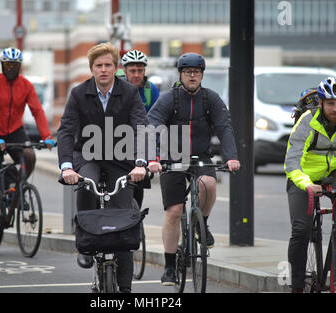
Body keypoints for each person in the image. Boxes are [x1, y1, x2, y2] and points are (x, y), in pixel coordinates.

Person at [58, 42, 148, 293]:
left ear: (115, 67)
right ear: (92, 69)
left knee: (124, 219)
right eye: (99, 66)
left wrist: (140, 163)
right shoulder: (78, 93)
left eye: (108, 65)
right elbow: (66, 131)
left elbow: (141, 128)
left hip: (121, 159)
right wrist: (67, 167)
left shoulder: (129, 93)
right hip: (88, 156)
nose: (104, 70)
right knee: (87, 183)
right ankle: (85, 242)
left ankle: (125, 288)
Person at [147, 52, 240, 286]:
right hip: (172, 159)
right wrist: (153, 157)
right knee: (174, 212)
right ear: (181, 74)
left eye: (196, 72)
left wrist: (231, 157)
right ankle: (169, 267)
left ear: (201, 75)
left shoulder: (211, 99)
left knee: (208, 184)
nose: (192, 75)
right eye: (188, 72)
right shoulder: (170, 99)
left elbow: (224, 127)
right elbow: (153, 124)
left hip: (200, 157)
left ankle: (202, 224)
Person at [285, 77, 336, 293]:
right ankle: (297, 286)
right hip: (304, 173)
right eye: (330, 103)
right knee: (301, 230)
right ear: (321, 103)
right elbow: (292, 160)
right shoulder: (307, 122)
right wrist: (306, 183)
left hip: (335, 169)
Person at [0, 47, 55, 246]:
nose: (11, 68)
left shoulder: (26, 85)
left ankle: (16, 192)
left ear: (20, 67)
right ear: (2, 65)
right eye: (8, 65)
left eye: (15, 65)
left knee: (29, 156)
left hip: (14, 130)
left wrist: (47, 136)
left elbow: (37, 110)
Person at [121, 49, 160, 209]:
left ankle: (136, 221)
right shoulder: (115, 88)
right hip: (115, 143)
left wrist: (155, 154)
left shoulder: (151, 91)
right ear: (124, 71)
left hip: (141, 145)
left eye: (140, 70)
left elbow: (157, 124)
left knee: (138, 186)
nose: (136, 74)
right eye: (132, 71)